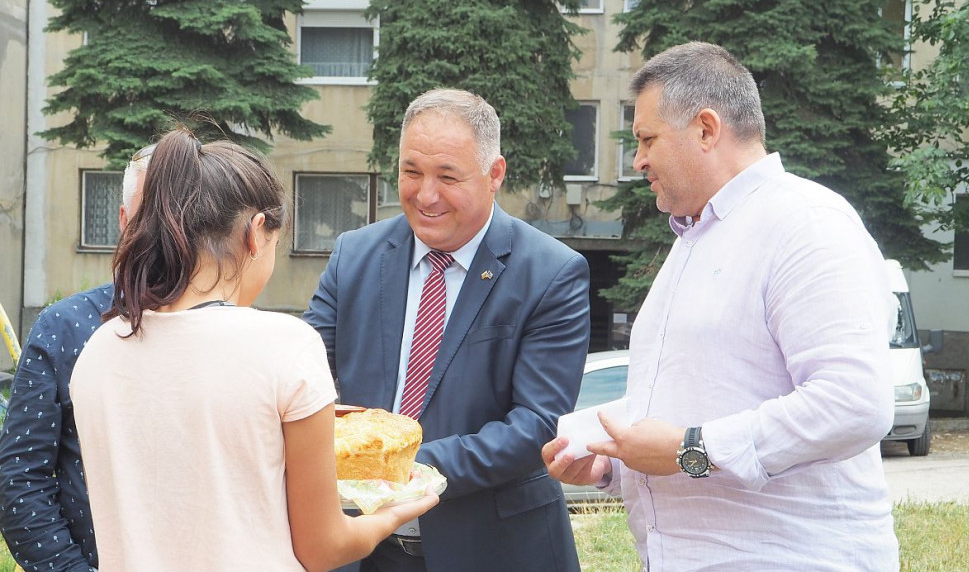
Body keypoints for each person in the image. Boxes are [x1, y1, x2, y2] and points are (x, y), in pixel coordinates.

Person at [543, 42, 900, 571]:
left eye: (646, 139)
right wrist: (608, 458)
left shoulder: (807, 224)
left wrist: (690, 449)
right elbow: (702, 400)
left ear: (706, 130)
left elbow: (854, 403)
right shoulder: (695, 239)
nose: (637, 160)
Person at [68, 129, 437, 572]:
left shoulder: (99, 349)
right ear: (256, 233)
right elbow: (323, 547)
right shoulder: (286, 345)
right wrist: (398, 509)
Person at [303, 88, 591, 572]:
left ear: (495, 173)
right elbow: (302, 377)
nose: (425, 194)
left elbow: (537, 425)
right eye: (411, 172)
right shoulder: (354, 254)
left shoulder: (551, 272)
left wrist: (399, 468)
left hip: (493, 549)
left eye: (448, 177)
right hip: (360, 548)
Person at [0, 143, 154, 572]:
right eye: (153, 213)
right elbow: (21, 482)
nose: (170, 228)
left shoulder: (234, 339)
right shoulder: (65, 328)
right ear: (124, 222)